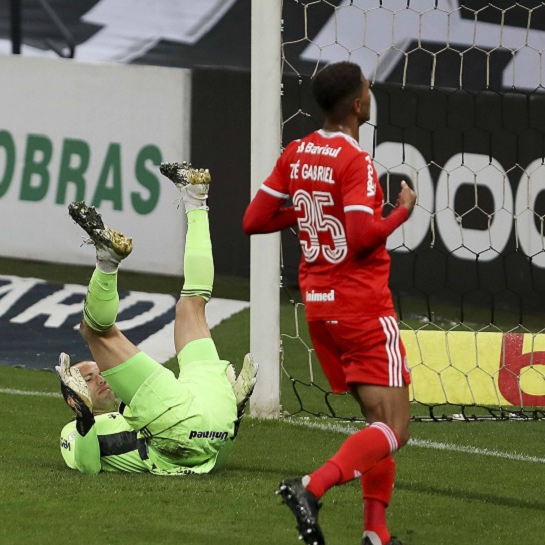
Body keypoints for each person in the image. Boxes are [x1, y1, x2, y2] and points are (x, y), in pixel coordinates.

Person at [242, 61, 415, 545]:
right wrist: (401, 213)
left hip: (318, 308)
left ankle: (375, 534)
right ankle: (311, 487)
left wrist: (303, 206)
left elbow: (254, 220)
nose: (369, 90)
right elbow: (361, 238)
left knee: (376, 427)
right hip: (362, 306)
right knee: (396, 428)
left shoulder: (297, 152)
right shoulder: (355, 159)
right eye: (366, 86)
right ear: (359, 104)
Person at [56, 161, 258, 475]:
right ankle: (194, 201)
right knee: (98, 331)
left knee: (188, 308)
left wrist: (232, 414)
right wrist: (83, 417)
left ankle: (195, 200)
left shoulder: (143, 404)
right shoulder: (73, 432)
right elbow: (88, 466)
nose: (100, 379)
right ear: (73, 396)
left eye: (97, 372)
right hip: (207, 421)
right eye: (88, 379)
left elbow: (212, 455)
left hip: (202, 416)